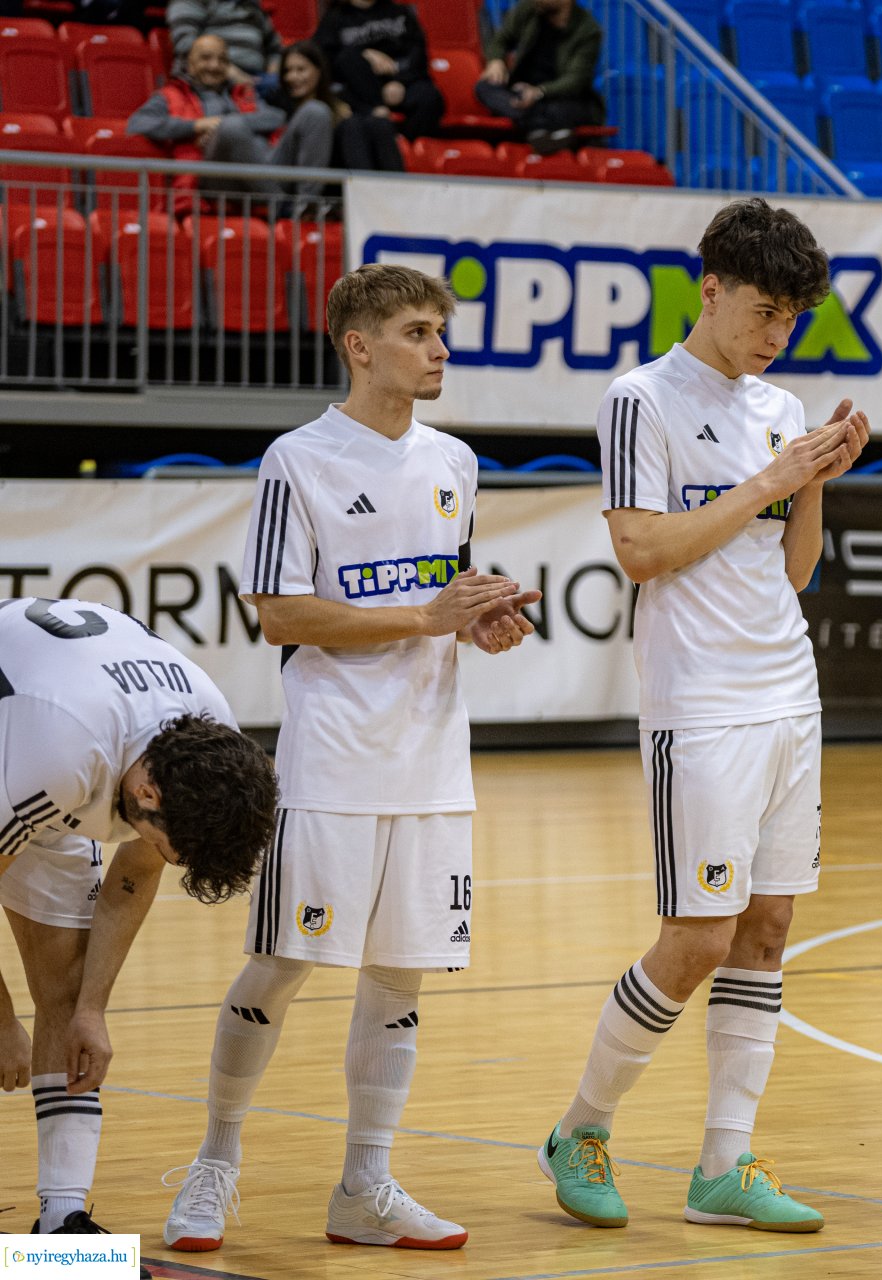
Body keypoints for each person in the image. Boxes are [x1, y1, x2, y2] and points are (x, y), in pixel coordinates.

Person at [160, 264, 540, 1253]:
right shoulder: (300, 460)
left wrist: (479, 623)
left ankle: (364, 1184)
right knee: (282, 960)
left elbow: (444, 600)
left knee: (401, 975)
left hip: (432, 765)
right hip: (331, 760)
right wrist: (425, 613)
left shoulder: (455, 460)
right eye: (419, 331)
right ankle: (214, 1162)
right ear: (359, 346)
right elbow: (280, 611)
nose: (440, 348)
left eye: (442, 331)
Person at [539, 198, 866, 1236]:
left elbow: (795, 568)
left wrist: (813, 482)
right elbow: (639, 549)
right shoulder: (641, 399)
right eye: (765, 312)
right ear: (710, 290)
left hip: (789, 692)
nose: (778, 336)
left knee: (767, 929)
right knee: (698, 934)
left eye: (794, 320)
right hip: (702, 702)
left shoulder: (782, 404)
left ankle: (725, 1161)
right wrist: (772, 475)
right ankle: (581, 1126)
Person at [1, 598, 276, 1253]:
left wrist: (93, 1008)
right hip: (27, 733)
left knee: (66, 999)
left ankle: (60, 1232)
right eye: (166, 841)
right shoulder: (61, 758)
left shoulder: (210, 746)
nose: (160, 854)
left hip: (60, 745)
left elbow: (135, 871)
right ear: (148, 795)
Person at [129, 34, 332, 209]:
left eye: (222, 60)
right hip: (217, 178)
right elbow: (138, 122)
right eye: (206, 58)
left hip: (265, 166)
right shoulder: (172, 94)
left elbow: (276, 117)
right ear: (189, 64)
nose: (214, 65)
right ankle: (282, 206)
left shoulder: (242, 92)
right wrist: (197, 126)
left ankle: (305, 207)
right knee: (231, 127)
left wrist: (219, 124)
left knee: (316, 111)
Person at [478, 0, 606, 154]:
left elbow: (576, 80)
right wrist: (495, 60)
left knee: (566, 109)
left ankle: (536, 128)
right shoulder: (528, 9)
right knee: (484, 87)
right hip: (520, 92)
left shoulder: (588, 30)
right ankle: (545, 131)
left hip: (559, 97)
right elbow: (500, 40)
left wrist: (540, 92)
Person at [314, 0, 446, 145]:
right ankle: (380, 129)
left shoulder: (400, 12)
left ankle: (406, 148)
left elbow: (418, 54)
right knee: (347, 60)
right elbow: (324, 59)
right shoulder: (334, 18)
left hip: (400, 82)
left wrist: (400, 82)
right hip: (360, 91)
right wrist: (364, 54)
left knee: (430, 98)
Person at [273, 39, 407, 172]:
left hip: (342, 163)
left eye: (301, 70)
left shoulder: (338, 99)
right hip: (310, 169)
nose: (292, 77)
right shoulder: (277, 101)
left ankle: (400, 187)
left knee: (380, 124)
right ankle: (363, 187)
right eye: (287, 71)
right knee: (351, 126)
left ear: (318, 70)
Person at [167, 0, 281, 87]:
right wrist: (229, 72)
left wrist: (272, 75)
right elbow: (186, 46)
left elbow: (275, 49)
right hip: (213, 77)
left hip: (258, 79)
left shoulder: (251, 5)